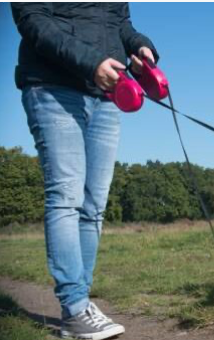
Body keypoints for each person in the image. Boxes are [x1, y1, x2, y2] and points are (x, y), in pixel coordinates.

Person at [11, 3, 158, 339]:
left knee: (94, 207)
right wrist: (91, 63)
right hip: (52, 87)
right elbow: (32, 21)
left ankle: (80, 307)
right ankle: (75, 308)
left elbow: (120, 23)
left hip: (106, 95)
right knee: (66, 197)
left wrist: (139, 46)